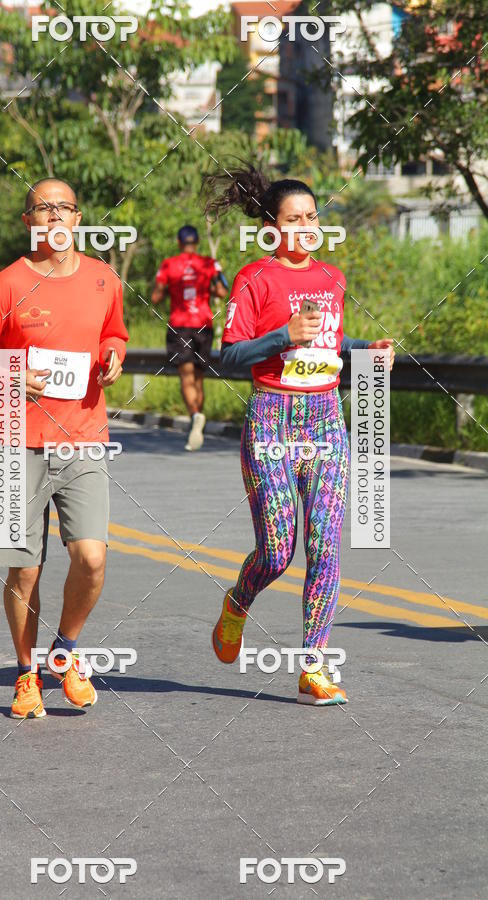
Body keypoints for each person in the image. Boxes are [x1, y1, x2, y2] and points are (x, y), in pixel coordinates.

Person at [202, 165, 395, 705]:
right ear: (271, 227)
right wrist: (283, 335)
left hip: (327, 419)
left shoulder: (332, 278)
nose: (307, 227)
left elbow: (332, 341)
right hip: (272, 417)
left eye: (313, 217)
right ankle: (239, 601)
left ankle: (314, 664)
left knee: (325, 547)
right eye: (294, 219)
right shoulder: (254, 278)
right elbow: (230, 353)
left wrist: (366, 348)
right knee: (279, 549)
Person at [0, 177, 128, 719]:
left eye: (63, 208)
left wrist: (113, 354)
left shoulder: (104, 280)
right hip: (15, 443)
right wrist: (11, 373)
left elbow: (114, 332)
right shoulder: (5, 285)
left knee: (91, 558)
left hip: (84, 439)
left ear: (78, 219)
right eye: (42, 208)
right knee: (23, 570)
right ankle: (26, 674)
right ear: (28, 222)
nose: (54, 217)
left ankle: (66, 652)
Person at [151, 225, 228, 451]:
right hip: (204, 324)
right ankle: (199, 421)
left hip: (180, 325)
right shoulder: (208, 264)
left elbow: (155, 296)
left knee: (186, 376)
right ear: (197, 242)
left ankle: (195, 415)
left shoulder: (169, 265)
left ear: (179, 242)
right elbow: (222, 292)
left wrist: (167, 291)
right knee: (199, 377)